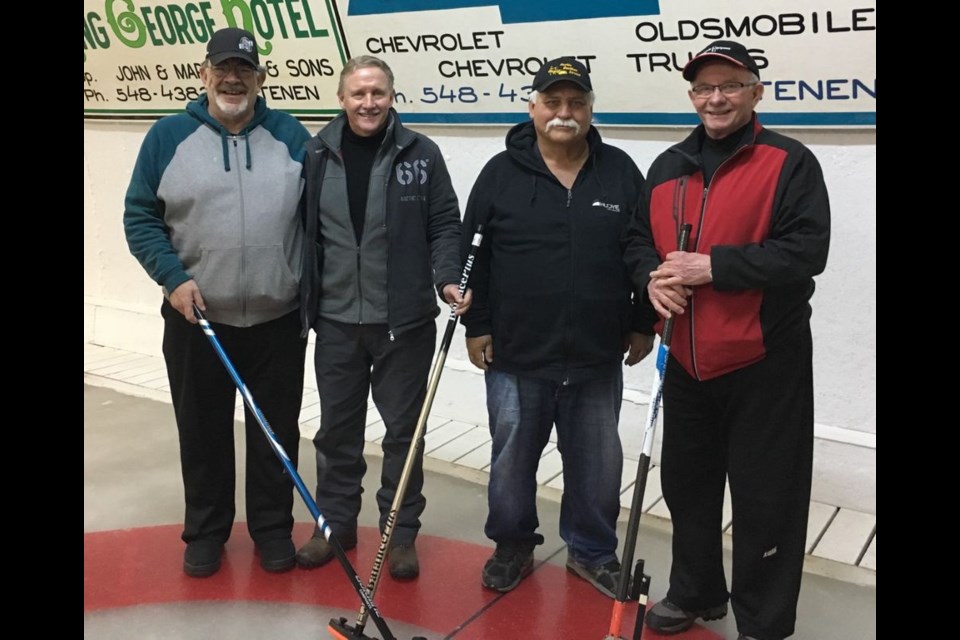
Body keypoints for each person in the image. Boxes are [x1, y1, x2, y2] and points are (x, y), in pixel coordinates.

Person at [623, 41, 831, 640]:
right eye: (704, 87)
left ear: (755, 91)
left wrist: (714, 267)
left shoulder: (789, 161)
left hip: (765, 359)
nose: (716, 97)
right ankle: (696, 590)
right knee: (686, 487)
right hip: (685, 361)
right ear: (692, 96)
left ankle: (762, 623)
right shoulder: (666, 166)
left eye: (731, 85)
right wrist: (650, 282)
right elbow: (639, 242)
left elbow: (805, 252)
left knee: (767, 498)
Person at [460, 57, 653, 598]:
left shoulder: (619, 172)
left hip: (596, 354)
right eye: (553, 101)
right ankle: (513, 545)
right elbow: (472, 256)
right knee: (511, 464)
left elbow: (643, 250)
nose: (564, 113)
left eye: (576, 103)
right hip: (517, 354)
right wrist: (477, 324)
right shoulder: (500, 173)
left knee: (597, 465)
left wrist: (642, 322)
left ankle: (591, 552)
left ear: (590, 109)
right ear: (533, 107)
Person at [123, 28, 311, 577]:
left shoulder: (293, 137)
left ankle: (272, 529)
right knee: (202, 430)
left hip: (277, 320)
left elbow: (318, 222)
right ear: (203, 72)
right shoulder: (166, 137)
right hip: (195, 318)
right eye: (223, 69)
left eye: (245, 70)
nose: (233, 79)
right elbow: (140, 217)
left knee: (275, 431)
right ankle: (206, 531)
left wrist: (306, 289)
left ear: (261, 77)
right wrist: (172, 278)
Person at [295, 56, 466, 580]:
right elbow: (302, 231)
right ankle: (336, 525)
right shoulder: (316, 153)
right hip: (337, 322)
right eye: (358, 94)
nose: (368, 103)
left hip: (405, 324)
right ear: (341, 99)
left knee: (403, 435)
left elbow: (444, 224)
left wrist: (446, 279)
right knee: (336, 434)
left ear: (392, 96)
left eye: (378, 93)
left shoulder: (422, 154)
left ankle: (399, 534)